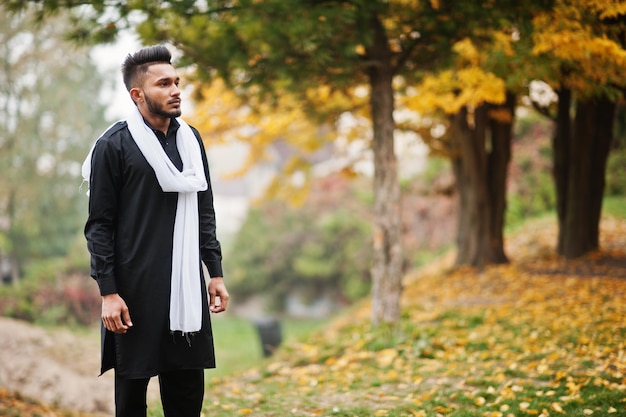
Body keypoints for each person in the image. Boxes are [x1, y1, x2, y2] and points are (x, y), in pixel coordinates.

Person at [83, 44, 229, 417]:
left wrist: (214, 272)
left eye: (176, 82)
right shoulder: (112, 146)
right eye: (164, 83)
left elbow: (204, 211)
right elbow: (99, 225)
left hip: (186, 291)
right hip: (134, 293)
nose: (176, 90)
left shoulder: (191, 142)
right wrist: (108, 292)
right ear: (138, 94)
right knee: (131, 401)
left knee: (186, 398)